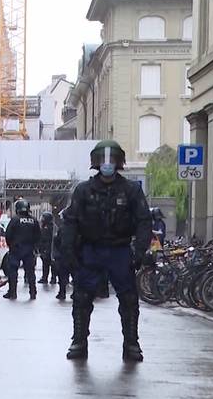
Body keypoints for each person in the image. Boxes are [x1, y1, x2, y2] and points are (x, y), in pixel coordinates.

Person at [60, 139, 152, 362]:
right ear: (96, 162)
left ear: (119, 162)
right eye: (104, 159)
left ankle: (131, 343)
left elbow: (143, 221)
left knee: (129, 299)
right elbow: (70, 221)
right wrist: (68, 252)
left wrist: (139, 251)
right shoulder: (83, 190)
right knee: (82, 297)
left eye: (112, 160)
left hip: (119, 250)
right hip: (91, 249)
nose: (107, 164)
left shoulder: (131, 190)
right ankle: (79, 341)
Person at [2, 199, 41, 300]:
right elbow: (38, 235)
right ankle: (33, 293)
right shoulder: (34, 220)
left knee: (13, 271)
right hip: (29, 249)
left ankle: (12, 292)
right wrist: (34, 247)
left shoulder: (15, 220)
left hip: (16, 249)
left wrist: (11, 246)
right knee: (30, 272)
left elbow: (8, 234)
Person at [38, 211, 55, 284]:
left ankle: (47, 278)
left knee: (48, 264)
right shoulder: (52, 227)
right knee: (48, 264)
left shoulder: (47, 228)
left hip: (48, 249)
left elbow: (45, 239)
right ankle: (50, 278)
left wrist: (43, 249)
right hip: (49, 249)